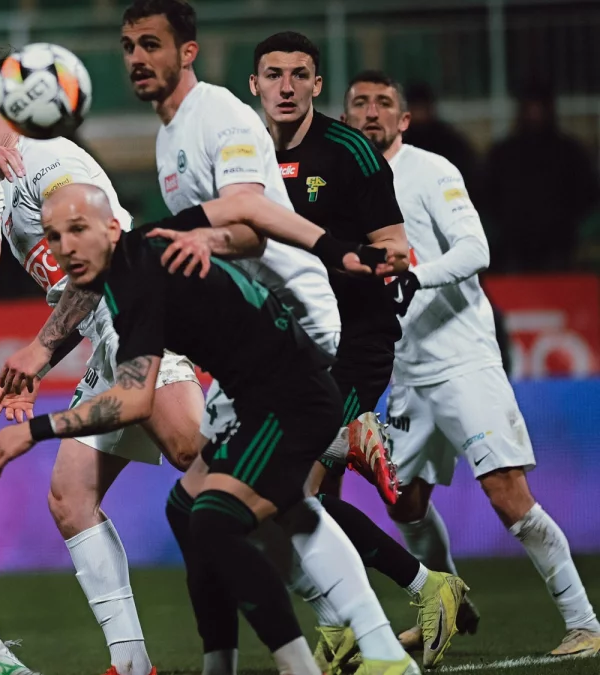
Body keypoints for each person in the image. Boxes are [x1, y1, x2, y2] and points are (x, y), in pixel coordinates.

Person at [0, 182, 421, 675]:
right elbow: (244, 207)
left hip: (289, 401)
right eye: (54, 236)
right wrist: (338, 250)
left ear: (112, 228)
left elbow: (133, 400)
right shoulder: (144, 252)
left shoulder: (136, 279)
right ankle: (221, 665)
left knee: (215, 520)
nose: (66, 247)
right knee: (186, 508)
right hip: (254, 399)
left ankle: (312, 665)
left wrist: (35, 431)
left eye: (78, 229)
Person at [117, 3, 412, 673]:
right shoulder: (171, 135)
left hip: (296, 329)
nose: (137, 57)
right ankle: (375, 631)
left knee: (222, 507)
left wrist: (204, 237)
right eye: (129, 45)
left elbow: (249, 226)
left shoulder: (219, 116)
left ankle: (374, 645)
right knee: (217, 506)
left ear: (187, 52)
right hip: (256, 337)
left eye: (152, 43)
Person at [345, 70, 600, 660]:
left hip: (462, 361)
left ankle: (584, 623)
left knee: (507, 493)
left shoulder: (432, 171)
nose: (372, 111)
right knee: (403, 503)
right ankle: (449, 602)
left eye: (383, 102)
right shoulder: (346, 186)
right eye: (360, 102)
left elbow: (476, 249)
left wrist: (416, 276)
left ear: (404, 119)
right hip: (406, 370)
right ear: (345, 116)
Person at [0, 54, 203, 675]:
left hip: (143, 322)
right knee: (70, 498)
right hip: (108, 342)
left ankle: (362, 594)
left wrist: (40, 351)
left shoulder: (51, 161)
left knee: (207, 466)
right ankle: (131, 663)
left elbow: (107, 264)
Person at [248, 34, 465, 670]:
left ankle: (413, 593)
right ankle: (363, 612)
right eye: (273, 75)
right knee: (287, 501)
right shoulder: (247, 154)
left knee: (290, 493)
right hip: (288, 348)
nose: (286, 86)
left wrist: (352, 259)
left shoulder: (349, 151)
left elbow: (395, 247)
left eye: (299, 75)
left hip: (355, 343)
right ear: (254, 85)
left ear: (317, 86)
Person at [481, 83, 600, 272]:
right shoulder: (503, 154)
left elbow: (588, 196)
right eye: (530, 108)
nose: (535, 115)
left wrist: (573, 231)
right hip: (512, 251)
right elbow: (485, 196)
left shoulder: (570, 153)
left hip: (560, 249)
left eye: (539, 108)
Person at [401, 81, 477, 192]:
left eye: (421, 108)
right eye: (415, 108)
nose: (419, 115)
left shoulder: (451, 143)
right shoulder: (398, 143)